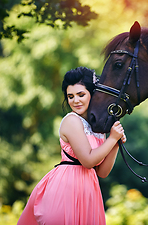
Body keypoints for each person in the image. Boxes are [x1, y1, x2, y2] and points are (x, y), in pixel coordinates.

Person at [17, 67, 126, 225]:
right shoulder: (71, 121)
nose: (75, 101)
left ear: (92, 93)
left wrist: (115, 143)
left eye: (81, 95)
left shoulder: (97, 127)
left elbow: (102, 172)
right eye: (70, 96)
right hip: (66, 187)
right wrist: (112, 138)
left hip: (89, 188)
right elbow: (88, 161)